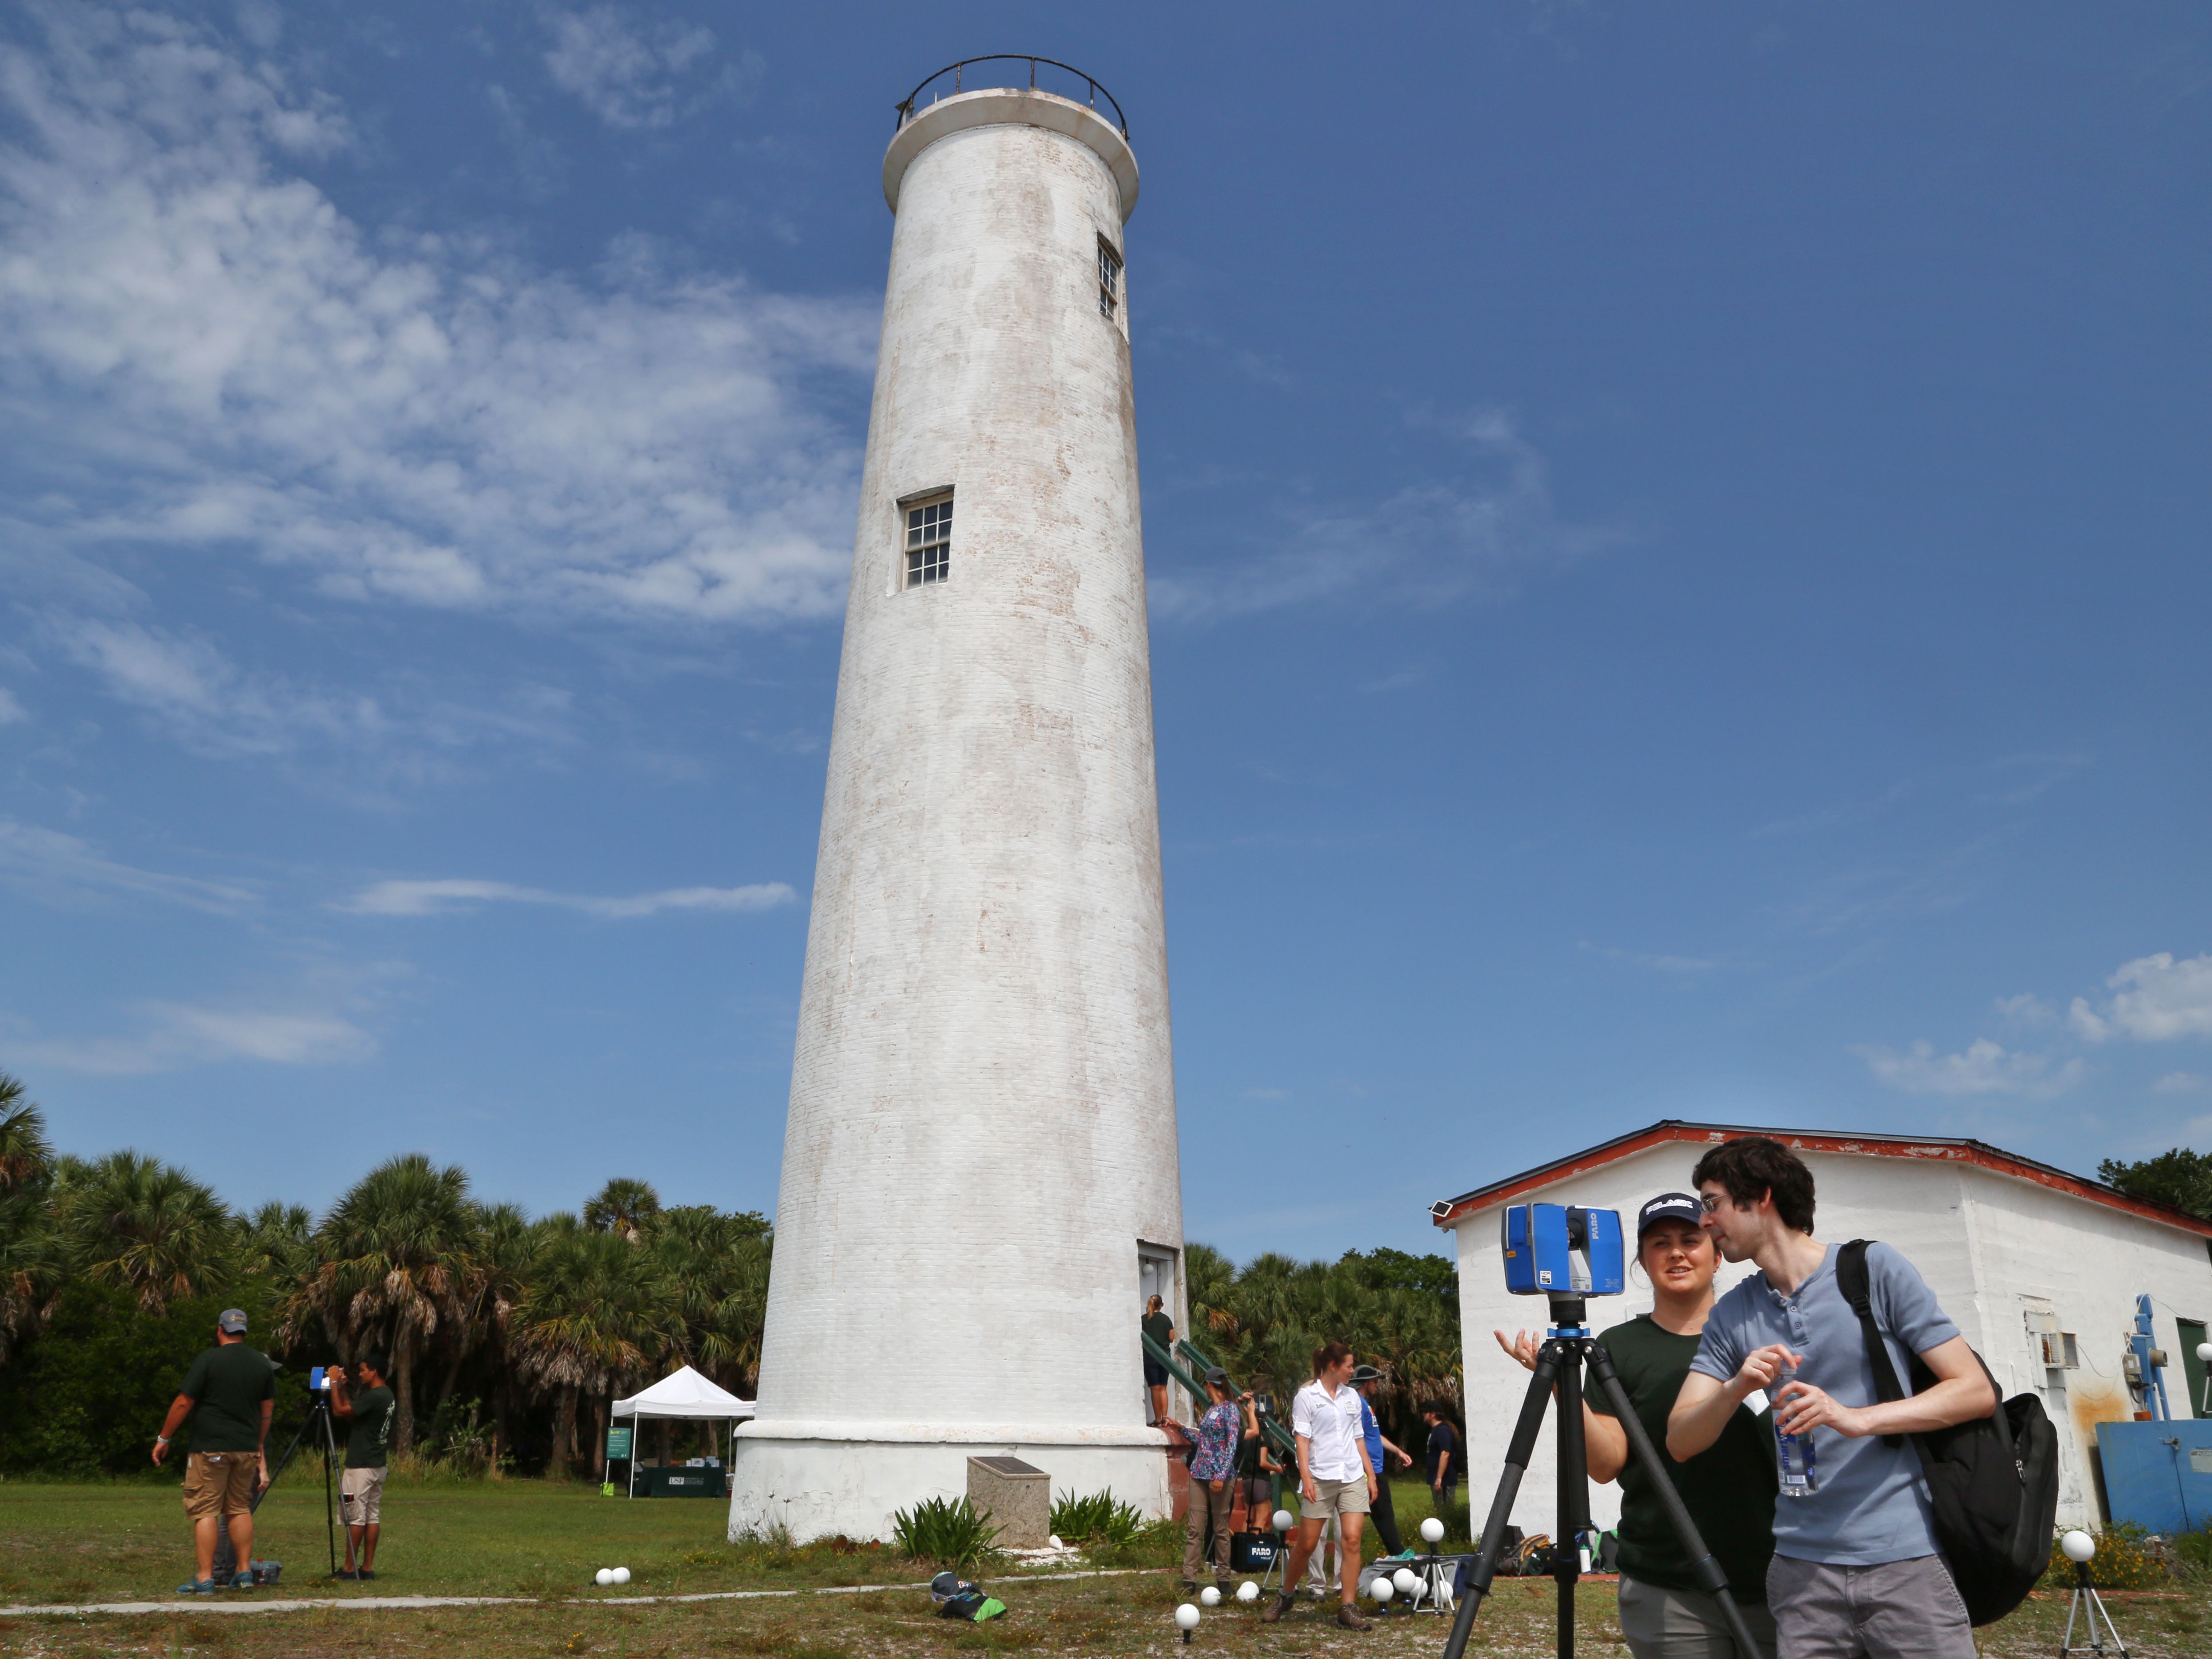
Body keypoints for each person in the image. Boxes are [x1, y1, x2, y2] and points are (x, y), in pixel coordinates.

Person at [1667, 1135, 1995, 1659]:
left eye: (1712, 1203)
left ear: (1761, 1196)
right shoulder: (1731, 1314)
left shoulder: (1872, 1270)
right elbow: (1680, 1440)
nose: (1704, 1222)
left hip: (1905, 1562)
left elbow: (1973, 1391)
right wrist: (1734, 1389)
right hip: (1802, 1575)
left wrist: (1855, 1419)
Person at [1497, 1192, 1779, 1659]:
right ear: (1642, 1263)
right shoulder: (1618, 1347)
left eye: (1691, 1239)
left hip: (1777, 1572)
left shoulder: (1762, 1327)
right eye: (1659, 1243)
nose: (1676, 1253)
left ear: (1716, 1254)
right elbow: (1606, 1465)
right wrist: (1558, 1385)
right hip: (1667, 1580)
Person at [152, 1307, 274, 1594]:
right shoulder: (261, 1363)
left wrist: (164, 1438)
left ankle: (206, 1578)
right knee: (239, 1508)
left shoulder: (208, 1359)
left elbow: (184, 1402)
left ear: (220, 1330)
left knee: (205, 1510)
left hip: (210, 1447)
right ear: (244, 1332)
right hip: (245, 1448)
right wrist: (257, 1443)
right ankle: (244, 1573)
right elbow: (267, 1411)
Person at [1262, 1341, 1376, 1630]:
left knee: (1351, 1540)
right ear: (1333, 1367)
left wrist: (1370, 1474)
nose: (1353, 1370)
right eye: (1349, 1365)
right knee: (1307, 1544)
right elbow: (1302, 1439)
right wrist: (1307, 1476)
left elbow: (1359, 1436)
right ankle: (1286, 1596)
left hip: (1351, 1476)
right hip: (1320, 1478)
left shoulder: (1352, 1397)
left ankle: (1347, 1608)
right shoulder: (1307, 1396)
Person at [328, 1355, 395, 1580]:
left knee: (355, 1515)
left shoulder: (375, 1396)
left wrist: (334, 1384)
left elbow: (339, 1412)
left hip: (361, 1467)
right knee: (372, 1515)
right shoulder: (387, 1395)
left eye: (364, 1369)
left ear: (374, 1371)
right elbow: (352, 1413)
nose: (360, 1373)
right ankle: (367, 1567)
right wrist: (343, 1389)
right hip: (377, 1465)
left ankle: (349, 1568)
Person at [1181, 1367, 1244, 1594]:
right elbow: (1205, 1442)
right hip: (1199, 1472)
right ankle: (1189, 1578)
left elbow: (1232, 1445)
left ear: (1210, 1385)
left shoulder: (1231, 1411)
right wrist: (1182, 1431)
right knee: (1195, 1528)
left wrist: (1220, 1476)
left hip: (1221, 1476)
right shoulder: (1211, 1410)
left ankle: (1224, 1578)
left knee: (1220, 1528)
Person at [1349, 1364, 1415, 1555]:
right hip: (1367, 1470)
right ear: (1366, 1382)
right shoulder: (1357, 1404)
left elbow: (1374, 1435)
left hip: (1376, 1468)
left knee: (1384, 1514)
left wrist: (1398, 1451)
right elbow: (1355, 1437)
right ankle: (1399, 1556)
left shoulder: (1366, 1405)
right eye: (1375, 1381)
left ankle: (1397, 1553)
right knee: (1383, 1515)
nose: (1377, 1384)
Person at [1423, 1406, 1461, 1520]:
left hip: (1445, 1479)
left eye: (1425, 1412)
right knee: (1439, 1511)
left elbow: (1445, 1453)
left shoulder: (1443, 1430)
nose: (1423, 1415)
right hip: (1436, 1478)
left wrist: (1439, 1478)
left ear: (1433, 1414)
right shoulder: (1435, 1431)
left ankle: (1449, 1533)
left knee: (1446, 1512)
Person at [1142, 1294, 1174, 1425]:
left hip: (1150, 1356)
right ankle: (1166, 1418)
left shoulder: (1144, 1319)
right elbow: (1172, 1338)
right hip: (1164, 1356)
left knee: (1155, 1388)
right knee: (1163, 1388)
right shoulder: (1166, 1320)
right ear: (1161, 1305)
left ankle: (1158, 1419)